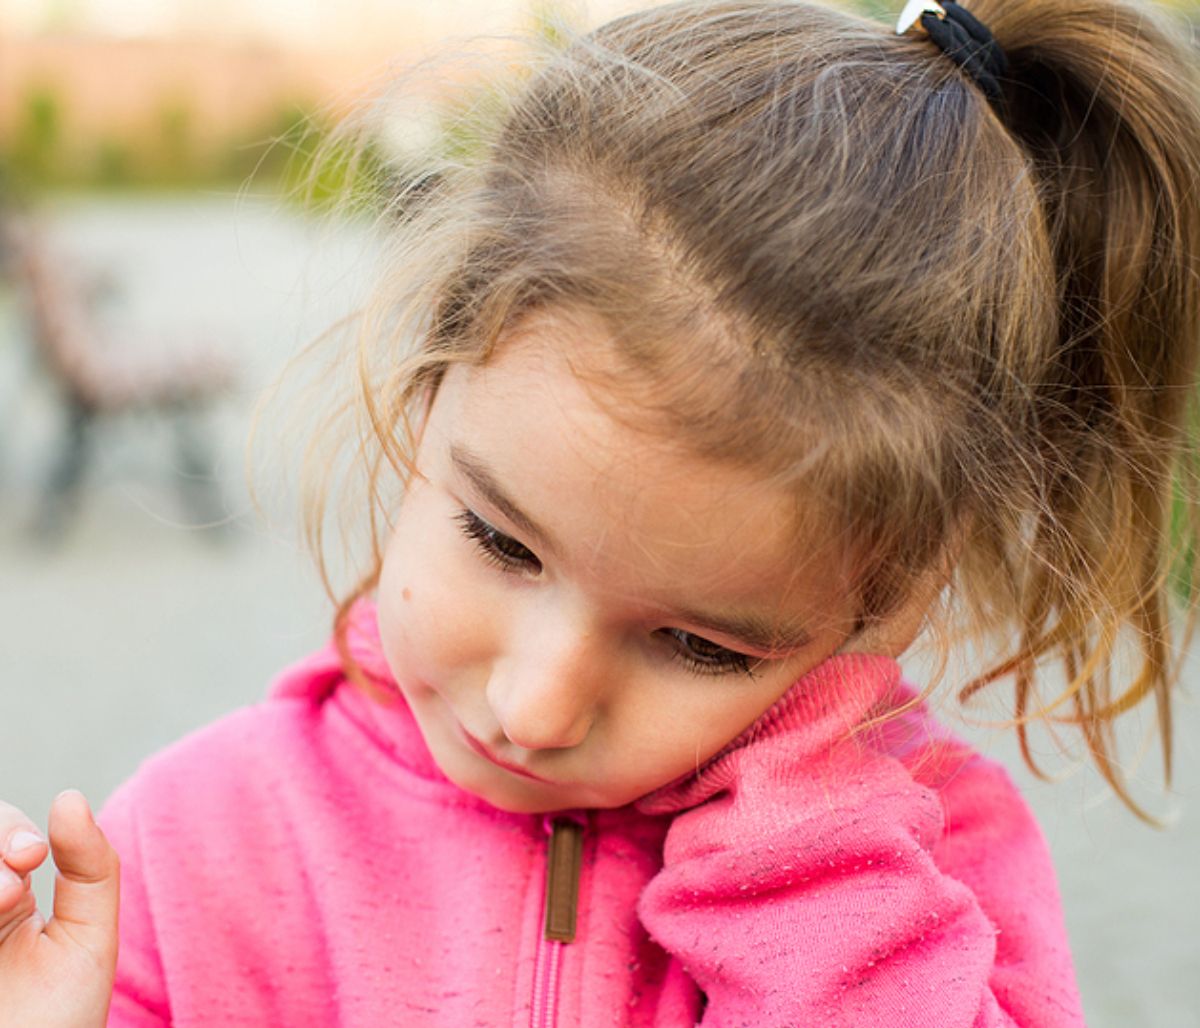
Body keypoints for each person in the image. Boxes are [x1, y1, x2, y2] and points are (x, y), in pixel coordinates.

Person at [2, 0, 1198, 1023]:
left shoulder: (929, 872)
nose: (536, 704)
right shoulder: (203, 839)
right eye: (497, 538)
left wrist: (807, 834)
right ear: (426, 394)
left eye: (701, 643)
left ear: (879, 607)